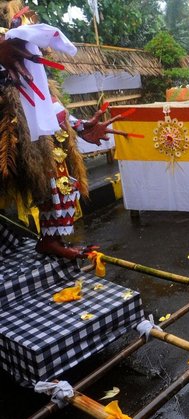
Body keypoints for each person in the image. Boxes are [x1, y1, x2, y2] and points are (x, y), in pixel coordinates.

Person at [0, 1, 124, 259]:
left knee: (61, 180)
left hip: (36, 139)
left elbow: (47, 103)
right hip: (12, 134)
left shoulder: (31, 71)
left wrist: (80, 126)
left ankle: (51, 239)